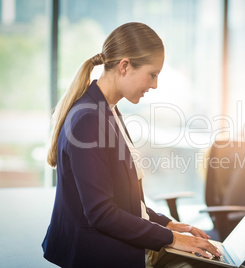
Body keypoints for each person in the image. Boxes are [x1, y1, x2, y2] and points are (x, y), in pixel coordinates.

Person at [42, 22, 221, 268]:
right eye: (153, 74)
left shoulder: (108, 111)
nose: (155, 85)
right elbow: (101, 213)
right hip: (97, 253)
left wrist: (165, 223)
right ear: (125, 66)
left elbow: (120, 197)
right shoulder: (89, 120)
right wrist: (171, 238)